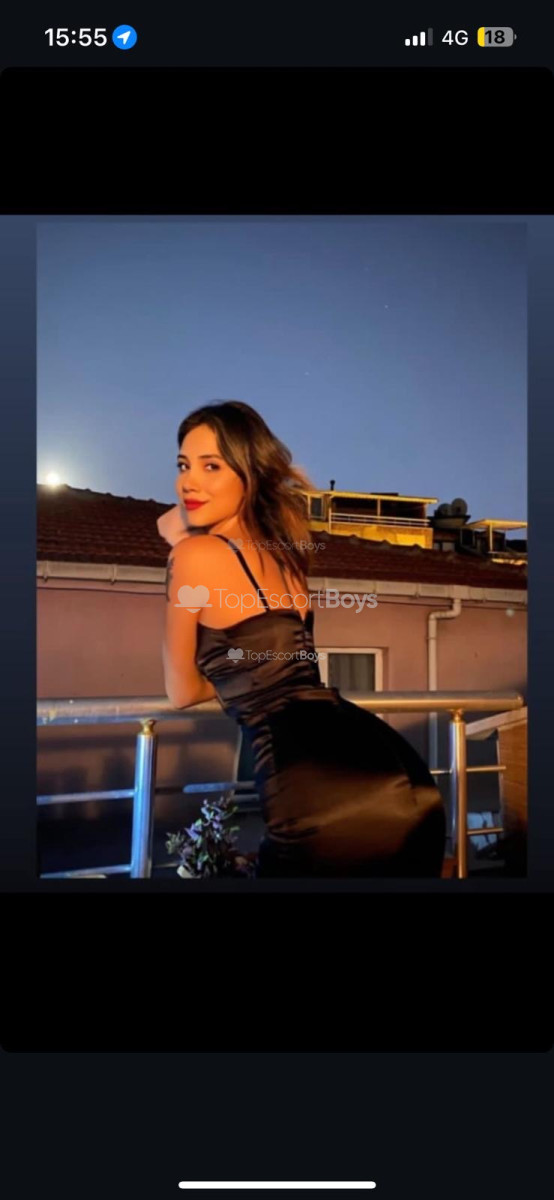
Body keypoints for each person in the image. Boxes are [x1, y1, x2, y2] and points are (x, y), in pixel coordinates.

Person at [159, 400, 446, 877]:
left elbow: (181, 691)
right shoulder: (285, 555)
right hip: (392, 764)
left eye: (212, 466)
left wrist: (235, 676)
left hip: (315, 788)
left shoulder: (193, 556)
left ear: (250, 475)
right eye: (183, 465)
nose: (188, 482)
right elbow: (173, 523)